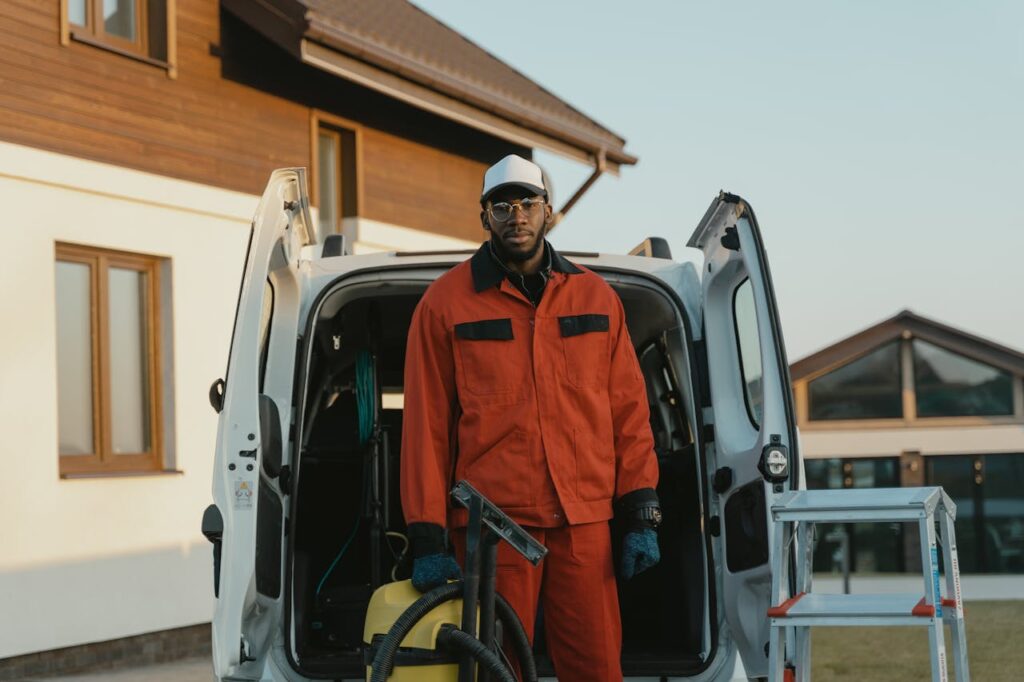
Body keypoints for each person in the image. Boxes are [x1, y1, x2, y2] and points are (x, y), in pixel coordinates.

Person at [400, 154, 661, 681]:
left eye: (528, 204)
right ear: (484, 217)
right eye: (502, 206)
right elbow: (424, 430)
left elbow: (629, 414)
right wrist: (426, 538)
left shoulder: (597, 298)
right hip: (493, 526)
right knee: (499, 670)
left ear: (549, 214)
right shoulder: (444, 305)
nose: (515, 216)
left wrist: (641, 510)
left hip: (584, 521)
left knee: (596, 667)